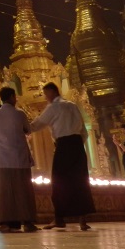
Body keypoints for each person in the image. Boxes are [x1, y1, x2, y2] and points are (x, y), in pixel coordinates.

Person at [31, 82, 95, 231]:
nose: (45, 97)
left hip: (64, 145)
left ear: (52, 92)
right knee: (80, 181)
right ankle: (82, 220)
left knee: (59, 181)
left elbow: (38, 124)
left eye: (46, 94)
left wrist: (21, 128)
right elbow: (83, 131)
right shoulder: (72, 105)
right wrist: (76, 144)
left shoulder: (54, 107)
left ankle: (59, 218)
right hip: (77, 145)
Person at [0, 87, 39, 233]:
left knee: (6, 192)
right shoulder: (19, 113)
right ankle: (28, 222)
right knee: (23, 191)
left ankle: (7, 223)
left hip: (4, 159)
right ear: (12, 96)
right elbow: (28, 129)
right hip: (19, 158)